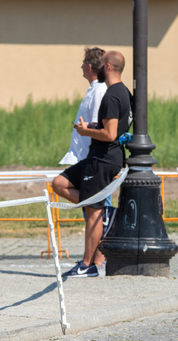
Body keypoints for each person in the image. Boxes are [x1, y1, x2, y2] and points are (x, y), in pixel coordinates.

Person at [52, 50, 132, 278]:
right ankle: (106, 214)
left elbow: (110, 134)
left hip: (103, 158)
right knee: (59, 184)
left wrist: (86, 130)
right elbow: (113, 127)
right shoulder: (122, 92)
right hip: (99, 157)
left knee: (93, 211)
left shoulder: (111, 94)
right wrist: (93, 126)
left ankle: (88, 265)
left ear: (106, 67)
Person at [58, 47, 116, 235]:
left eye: (84, 62)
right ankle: (97, 254)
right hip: (86, 158)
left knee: (98, 215)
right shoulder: (94, 89)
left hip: (92, 159)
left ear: (90, 67)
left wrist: (86, 134)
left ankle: (101, 254)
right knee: (92, 212)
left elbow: (100, 126)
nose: (81, 66)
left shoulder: (99, 90)